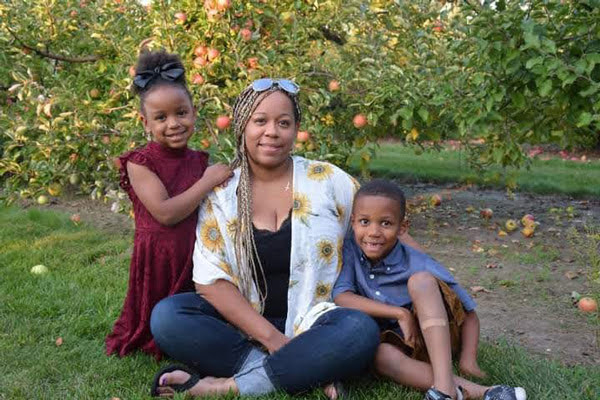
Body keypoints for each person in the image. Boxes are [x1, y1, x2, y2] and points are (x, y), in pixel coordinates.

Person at [148, 78, 424, 398]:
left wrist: (438, 281)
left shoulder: (327, 181)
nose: (272, 132)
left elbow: (383, 231)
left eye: (284, 123)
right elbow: (211, 283)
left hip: (318, 319)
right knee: (168, 317)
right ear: (242, 126)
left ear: (296, 129)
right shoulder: (222, 193)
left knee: (359, 329)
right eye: (260, 121)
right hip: (244, 323)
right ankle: (308, 368)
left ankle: (231, 386)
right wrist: (274, 341)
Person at [332, 179, 527, 400]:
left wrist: (467, 359)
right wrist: (399, 313)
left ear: (402, 227)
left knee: (421, 282)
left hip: (438, 334)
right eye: (365, 222)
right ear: (353, 223)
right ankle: (489, 393)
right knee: (380, 355)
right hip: (405, 342)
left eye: (385, 223)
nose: (374, 232)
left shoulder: (417, 262)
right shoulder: (350, 251)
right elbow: (342, 296)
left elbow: (469, 314)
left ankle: (443, 388)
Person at [105, 50, 233, 359]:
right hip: (160, 255)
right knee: (158, 314)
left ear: (194, 112)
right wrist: (208, 181)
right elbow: (165, 213)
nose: (173, 123)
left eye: (181, 113)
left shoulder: (197, 160)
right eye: (161, 118)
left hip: (196, 251)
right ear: (145, 122)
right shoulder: (139, 162)